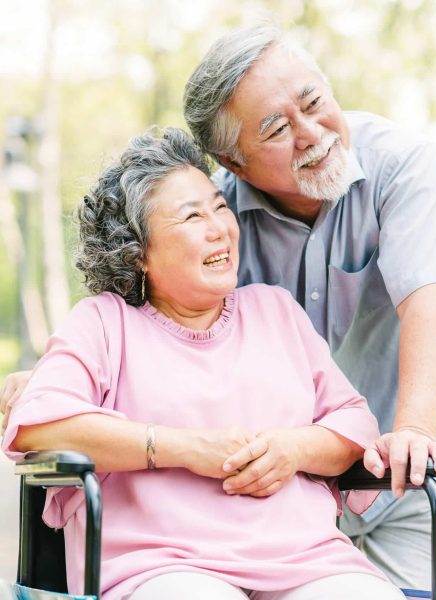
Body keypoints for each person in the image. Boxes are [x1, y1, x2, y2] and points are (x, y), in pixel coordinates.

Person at [2, 128, 405, 600]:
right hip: (161, 565)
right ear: (137, 254)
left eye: (219, 207)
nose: (220, 228)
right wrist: (184, 448)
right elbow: (38, 427)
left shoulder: (275, 311)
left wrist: (293, 448)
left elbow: (354, 422)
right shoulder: (104, 323)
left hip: (305, 559)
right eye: (192, 216)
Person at [181, 24, 436, 592]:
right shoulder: (217, 222)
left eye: (315, 102)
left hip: (413, 474)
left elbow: (430, 304)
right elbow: (155, 321)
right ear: (234, 161)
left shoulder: (401, 165)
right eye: (276, 129)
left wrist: (413, 432)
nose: (312, 133)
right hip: (295, 483)